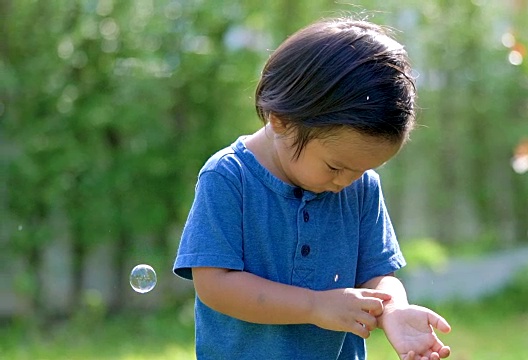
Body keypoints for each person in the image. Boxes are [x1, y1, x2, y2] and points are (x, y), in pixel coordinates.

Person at [173, 18, 451, 360]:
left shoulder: (360, 187)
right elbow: (215, 285)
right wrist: (313, 306)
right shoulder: (229, 177)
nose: (347, 181)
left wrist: (394, 309)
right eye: (336, 167)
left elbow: (377, 275)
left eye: (363, 169)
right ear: (282, 121)